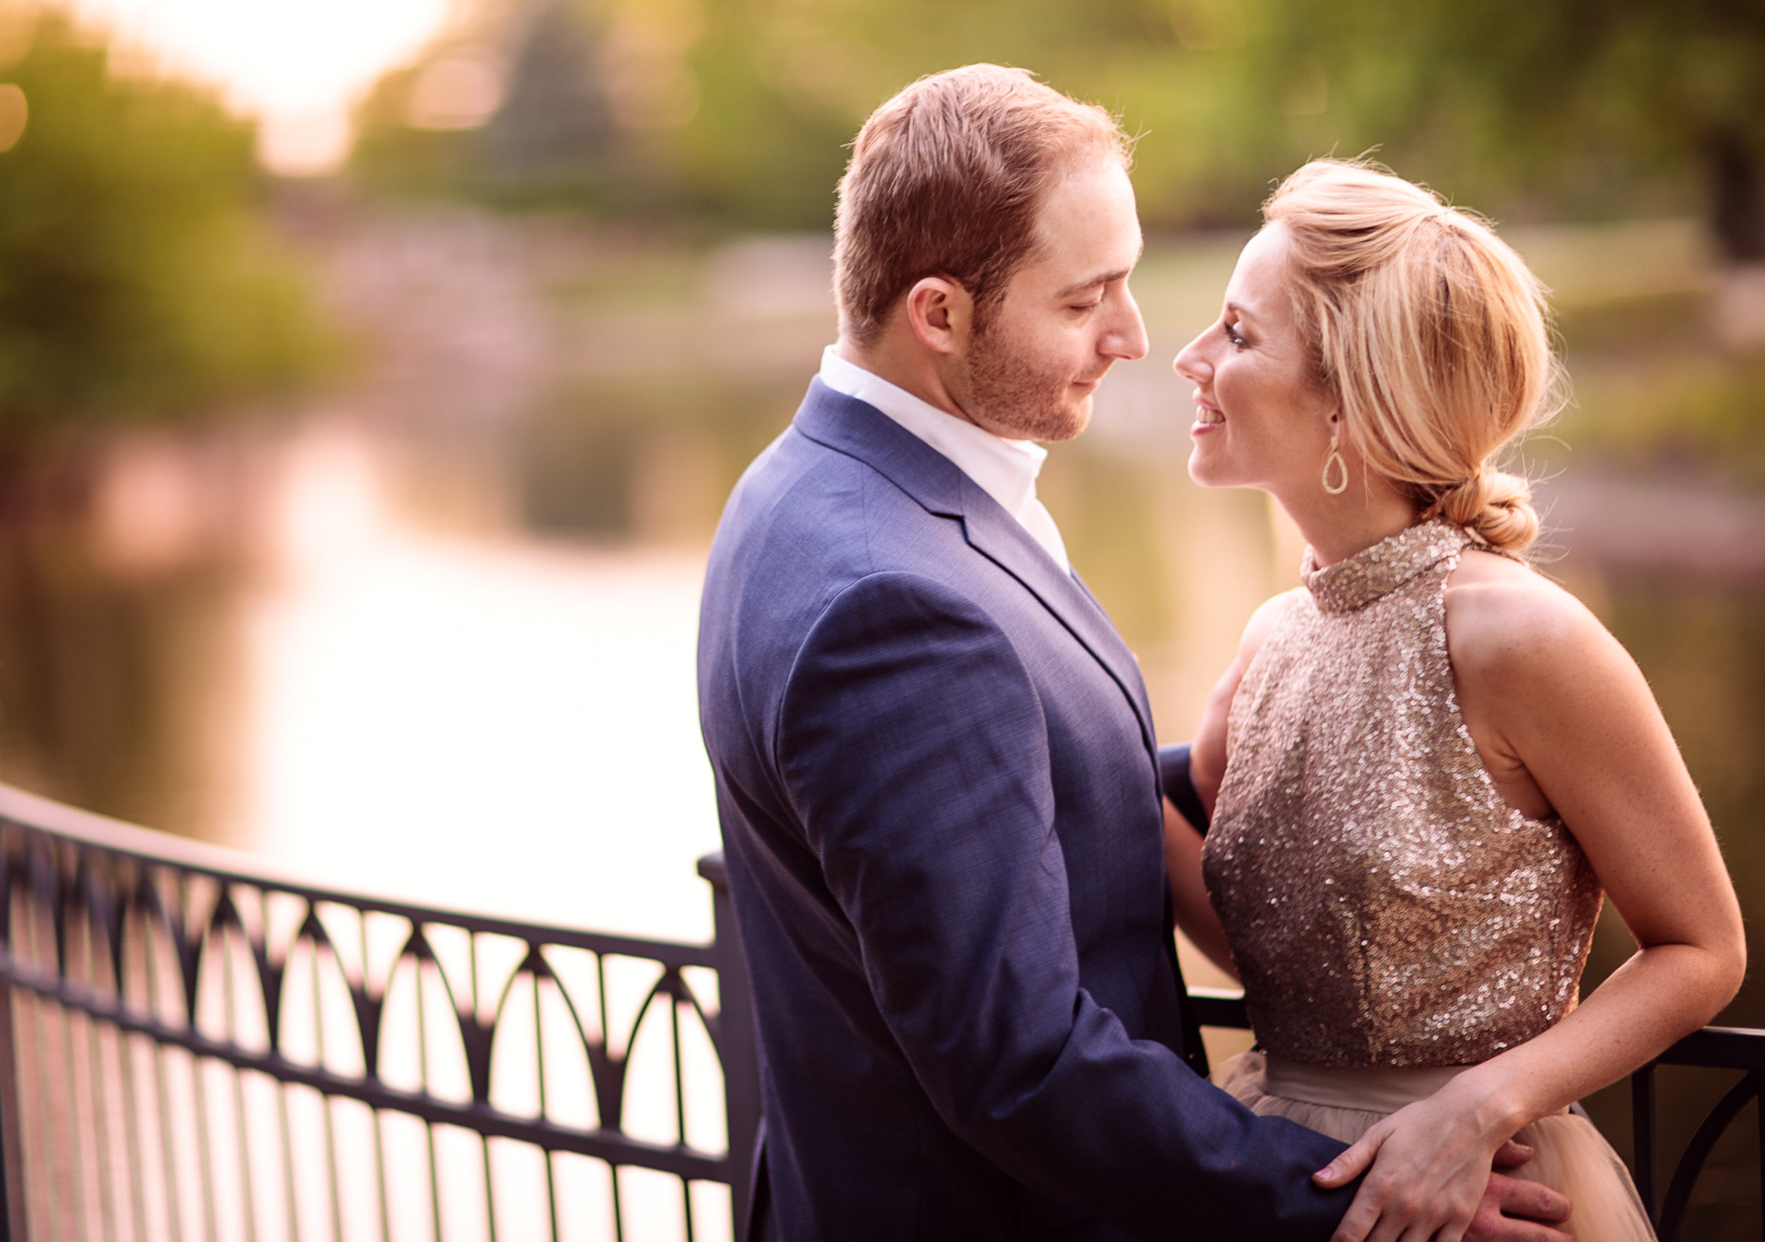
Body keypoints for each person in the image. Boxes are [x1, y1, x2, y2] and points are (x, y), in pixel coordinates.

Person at [697, 66, 1572, 1241]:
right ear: (939, 312)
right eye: (1083, 299)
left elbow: (978, 787)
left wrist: (1299, 758)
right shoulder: (894, 601)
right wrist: (1352, 1206)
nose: (1133, 335)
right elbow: (1019, 1062)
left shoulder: (800, 489)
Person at [1165, 158, 1748, 1242]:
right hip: (1286, 1173)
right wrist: (1098, 783)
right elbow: (1292, 969)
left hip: (1477, 1188)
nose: (1189, 358)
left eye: (1238, 335)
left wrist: (1478, 1106)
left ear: (1348, 401)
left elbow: (1701, 949)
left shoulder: (1522, 636)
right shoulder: (1270, 636)